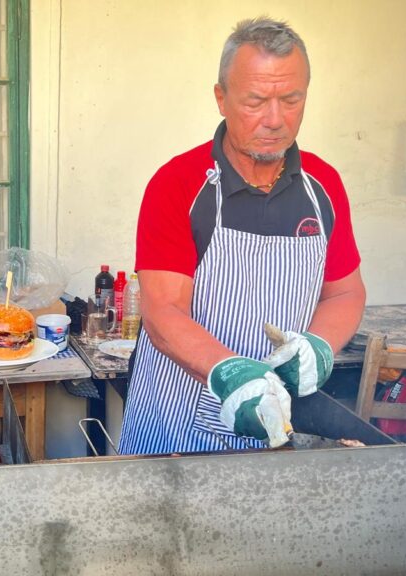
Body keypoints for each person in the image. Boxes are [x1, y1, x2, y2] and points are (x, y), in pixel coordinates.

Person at [120, 18, 366, 454]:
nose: (275, 120)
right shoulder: (179, 184)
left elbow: (344, 293)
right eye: (256, 100)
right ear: (221, 98)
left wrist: (320, 346)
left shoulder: (322, 185)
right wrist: (230, 373)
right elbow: (163, 311)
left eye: (291, 99)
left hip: (281, 417)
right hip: (178, 419)